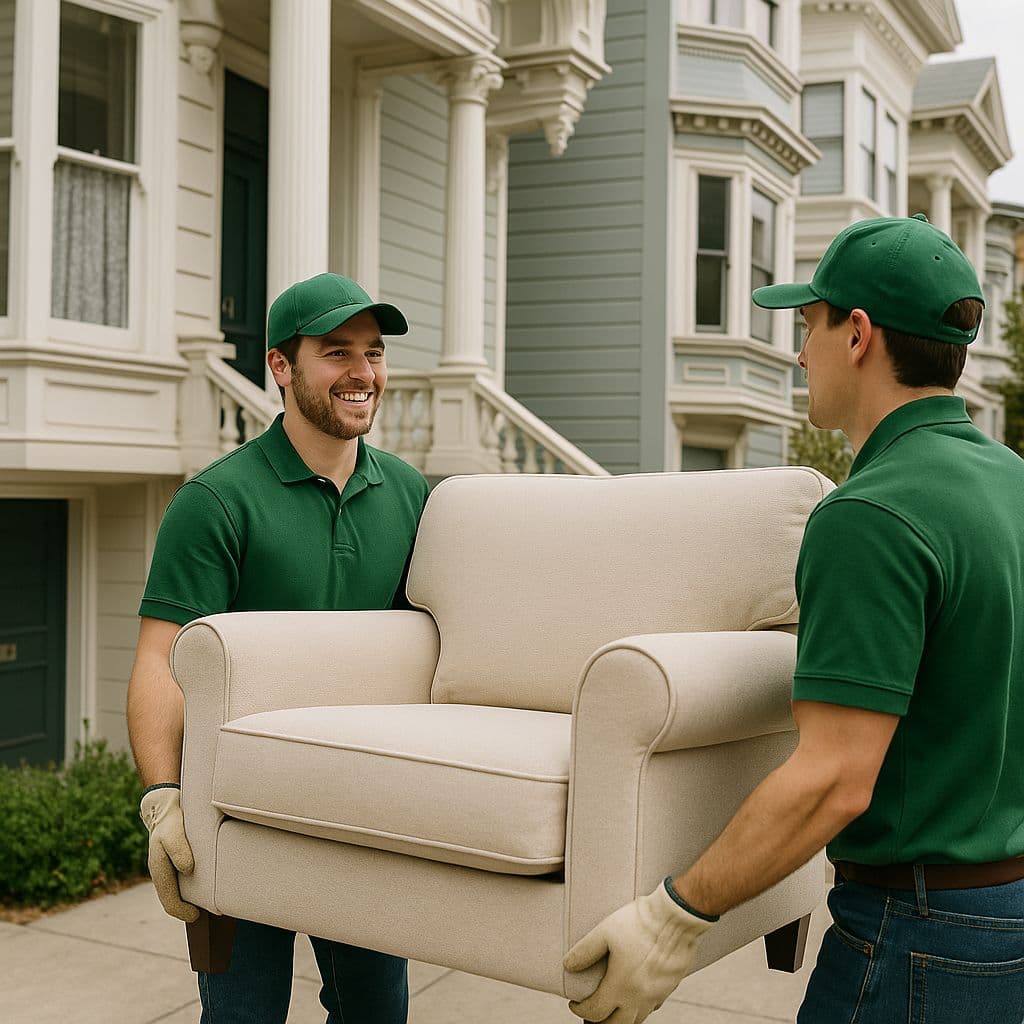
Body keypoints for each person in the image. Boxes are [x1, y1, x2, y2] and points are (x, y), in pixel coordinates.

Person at [563, 214, 1024, 1024]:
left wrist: (673, 918)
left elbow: (834, 778)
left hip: (918, 939)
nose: (797, 351)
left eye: (807, 325)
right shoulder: (1012, 483)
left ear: (859, 334)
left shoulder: (872, 515)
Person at [127, 273, 429, 1024]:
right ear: (282, 368)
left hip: (363, 808)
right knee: (243, 1018)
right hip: (236, 813)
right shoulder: (217, 501)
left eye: (374, 352)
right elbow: (160, 659)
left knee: (376, 1014)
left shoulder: (415, 496)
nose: (363, 372)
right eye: (337, 352)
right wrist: (163, 798)